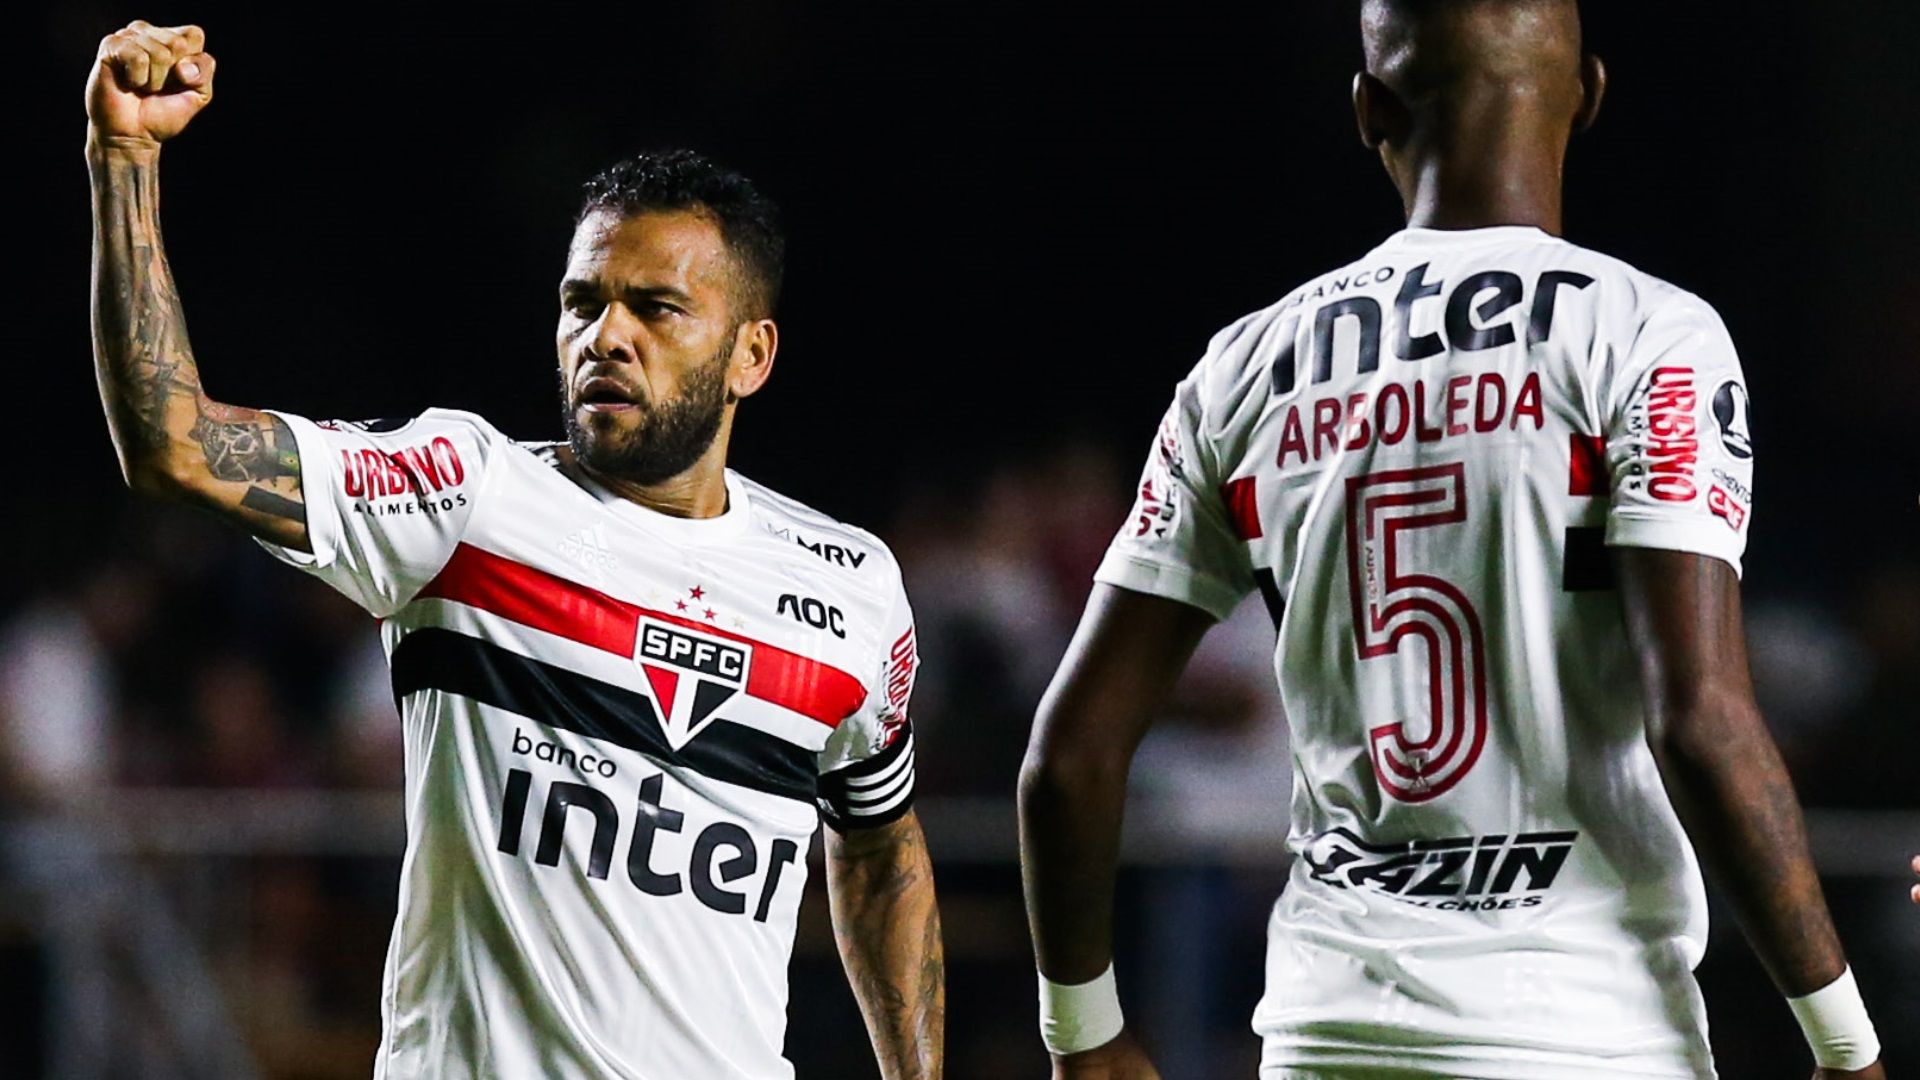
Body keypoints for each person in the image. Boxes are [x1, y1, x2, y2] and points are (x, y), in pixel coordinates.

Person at [1017, 2, 1882, 1078]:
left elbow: (1071, 754)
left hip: (1328, 1035)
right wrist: (1845, 1043)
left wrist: (1084, 1034)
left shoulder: (1242, 370)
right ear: (1591, 93)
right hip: (1584, 1034)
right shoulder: (1650, 334)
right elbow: (1701, 720)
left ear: (1368, 108)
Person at [85, 21, 941, 1080]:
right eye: (583, 303)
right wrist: (125, 160)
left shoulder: (851, 588)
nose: (606, 336)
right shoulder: (466, 495)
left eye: (657, 308)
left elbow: (880, 842)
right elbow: (176, 444)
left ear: (750, 355)